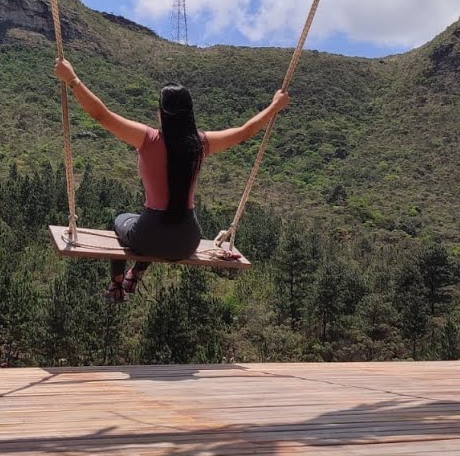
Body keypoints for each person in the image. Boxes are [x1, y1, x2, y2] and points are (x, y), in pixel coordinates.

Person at [54, 57, 290, 302]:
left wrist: (72, 79)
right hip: (187, 240)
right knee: (157, 234)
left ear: (161, 113)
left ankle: (116, 285)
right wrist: (275, 106)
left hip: (149, 235)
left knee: (121, 221)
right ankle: (134, 275)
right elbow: (244, 132)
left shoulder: (148, 139)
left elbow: (102, 115)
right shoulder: (200, 144)